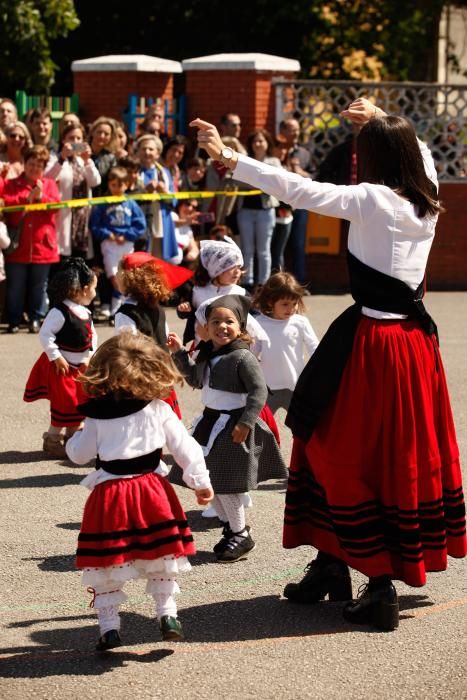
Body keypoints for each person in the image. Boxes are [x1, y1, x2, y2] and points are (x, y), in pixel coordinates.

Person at [189, 97, 466, 630]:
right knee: (365, 449)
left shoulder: (372, 199)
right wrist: (383, 118)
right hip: (412, 343)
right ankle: (331, 564)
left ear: (378, 159)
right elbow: (424, 156)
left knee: (342, 450)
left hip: (373, 344)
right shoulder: (426, 198)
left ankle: (378, 584)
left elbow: (298, 189)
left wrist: (230, 157)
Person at [65, 331, 213, 650]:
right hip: (152, 492)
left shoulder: (96, 416)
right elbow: (186, 447)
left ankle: (109, 627)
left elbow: (78, 454)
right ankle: (167, 614)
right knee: (160, 553)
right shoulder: (158, 409)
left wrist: (73, 439)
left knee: (107, 561)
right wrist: (200, 482)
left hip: (110, 495)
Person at [168, 294, 287, 562]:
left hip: (233, 425)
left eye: (229, 322)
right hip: (210, 423)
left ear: (240, 327)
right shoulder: (208, 354)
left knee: (227, 483)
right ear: (206, 328)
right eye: (215, 322)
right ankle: (232, 528)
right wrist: (178, 353)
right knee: (208, 478)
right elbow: (196, 381)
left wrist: (246, 422)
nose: (222, 327)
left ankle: (240, 533)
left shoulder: (242, 357)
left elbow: (258, 391)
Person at [23, 258, 97, 457]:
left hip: (80, 367)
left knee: (77, 403)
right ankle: (52, 439)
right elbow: (45, 334)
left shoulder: (86, 312)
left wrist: (89, 356)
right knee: (64, 404)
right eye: (94, 289)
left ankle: (72, 440)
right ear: (82, 289)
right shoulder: (59, 312)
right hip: (62, 367)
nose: (95, 293)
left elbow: (92, 336)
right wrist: (56, 356)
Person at [114, 250, 193, 418]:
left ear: (129, 280)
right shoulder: (157, 309)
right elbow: (164, 338)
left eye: (119, 273)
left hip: (141, 376)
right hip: (161, 372)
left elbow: (127, 348)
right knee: (165, 420)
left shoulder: (126, 313)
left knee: (145, 421)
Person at [2, 145, 60, 333]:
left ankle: (36, 317)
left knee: (39, 286)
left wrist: (40, 197)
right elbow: (7, 203)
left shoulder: (50, 184)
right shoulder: (12, 184)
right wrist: (27, 198)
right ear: (25, 164)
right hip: (18, 245)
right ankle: (14, 319)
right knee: (15, 286)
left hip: (43, 244)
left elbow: (56, 206)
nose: (34, 168)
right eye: (31, 163)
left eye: (39, 165)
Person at [253, 272, 319, 414]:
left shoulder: (300, 322)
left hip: (295, 385)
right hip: (267, 387)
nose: (291, 309)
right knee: (260, 425)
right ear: (271, 302)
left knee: (300, 425)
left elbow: (315, 348)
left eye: (294, 303)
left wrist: (319, 372)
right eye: (285, 304)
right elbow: (252, 351)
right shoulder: (260, 323)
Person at [89, 166, 146, 317]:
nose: (117, 188)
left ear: (126, 184)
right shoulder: (103, 203)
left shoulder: (131, 204)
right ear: (109, 184)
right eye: (113, 185)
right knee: (113, 275)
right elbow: (95, 225)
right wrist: (108, 234)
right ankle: (117, 300)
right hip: (109, 244)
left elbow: (140, 224)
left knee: (126, 273)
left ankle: (118, 304)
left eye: (120, 185)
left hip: (126, 244)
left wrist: (127, 235)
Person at [176, 236, 245, 346]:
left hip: (229, 349)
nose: (238, 272)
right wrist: (183, 310)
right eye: (232, 267)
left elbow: (251, 320)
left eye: (239, 267)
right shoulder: (198, 291)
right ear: (216, 269)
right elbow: (190, 313)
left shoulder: (241, 293)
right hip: (201, 347)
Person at [47, 123, 101, 260]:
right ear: (64, 140)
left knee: (80, 259)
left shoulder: (84, 161)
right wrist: (62, 158)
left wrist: (88, 160)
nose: (75, 142)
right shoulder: (55, 158)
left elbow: (95, 181)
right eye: (71, 138)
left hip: (82, 218)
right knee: (64, 258)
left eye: (78, 138)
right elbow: (48, 178)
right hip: (64, 217)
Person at [236, 129, 281, 290]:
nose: (258, 144)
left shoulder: (274, 161)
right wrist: (260, 182)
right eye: (255, 141)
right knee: (247, 249)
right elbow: (237, 181)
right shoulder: (245, 160)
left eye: (261, 141)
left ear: (267, 143)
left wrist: (256, 182)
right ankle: (247, 281)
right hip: (245, 210)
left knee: (263, 249)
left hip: (266, 210)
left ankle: (263, 283)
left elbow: (278, 182)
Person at [278, 118, 313, 285]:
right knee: (279, 245)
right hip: (280, 206)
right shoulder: (276, 151)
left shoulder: (304, 153)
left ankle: (300, 282)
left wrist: (299, 171)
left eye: (297, 129)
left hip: (300, 206)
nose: (296, 133)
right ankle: (280, 283)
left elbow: (314, 177)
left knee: (299, 244)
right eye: (292, 129)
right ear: (282, 131)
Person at [169, 199, 200, 267]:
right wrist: (186, 221)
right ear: (180, 205)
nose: (190, 208)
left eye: (194, 207)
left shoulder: (188, 228)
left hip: (175, 265)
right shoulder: (171, 215)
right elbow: (170, 224)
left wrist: (193, 253)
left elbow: (193, 247)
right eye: (187, 204)